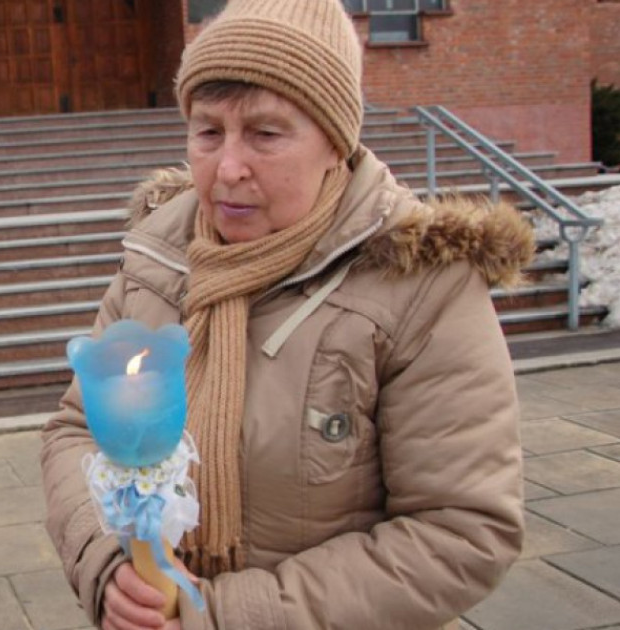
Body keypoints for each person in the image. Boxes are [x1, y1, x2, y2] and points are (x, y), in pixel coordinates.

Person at [40, 1, 530, 628]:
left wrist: (220, 616)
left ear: (336, 143)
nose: (228, 167)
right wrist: (109, 563)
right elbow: (76, 430)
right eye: (208, 131)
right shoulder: (157, 261)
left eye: (266, 134)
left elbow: (461, 531)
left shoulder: (422, 287)